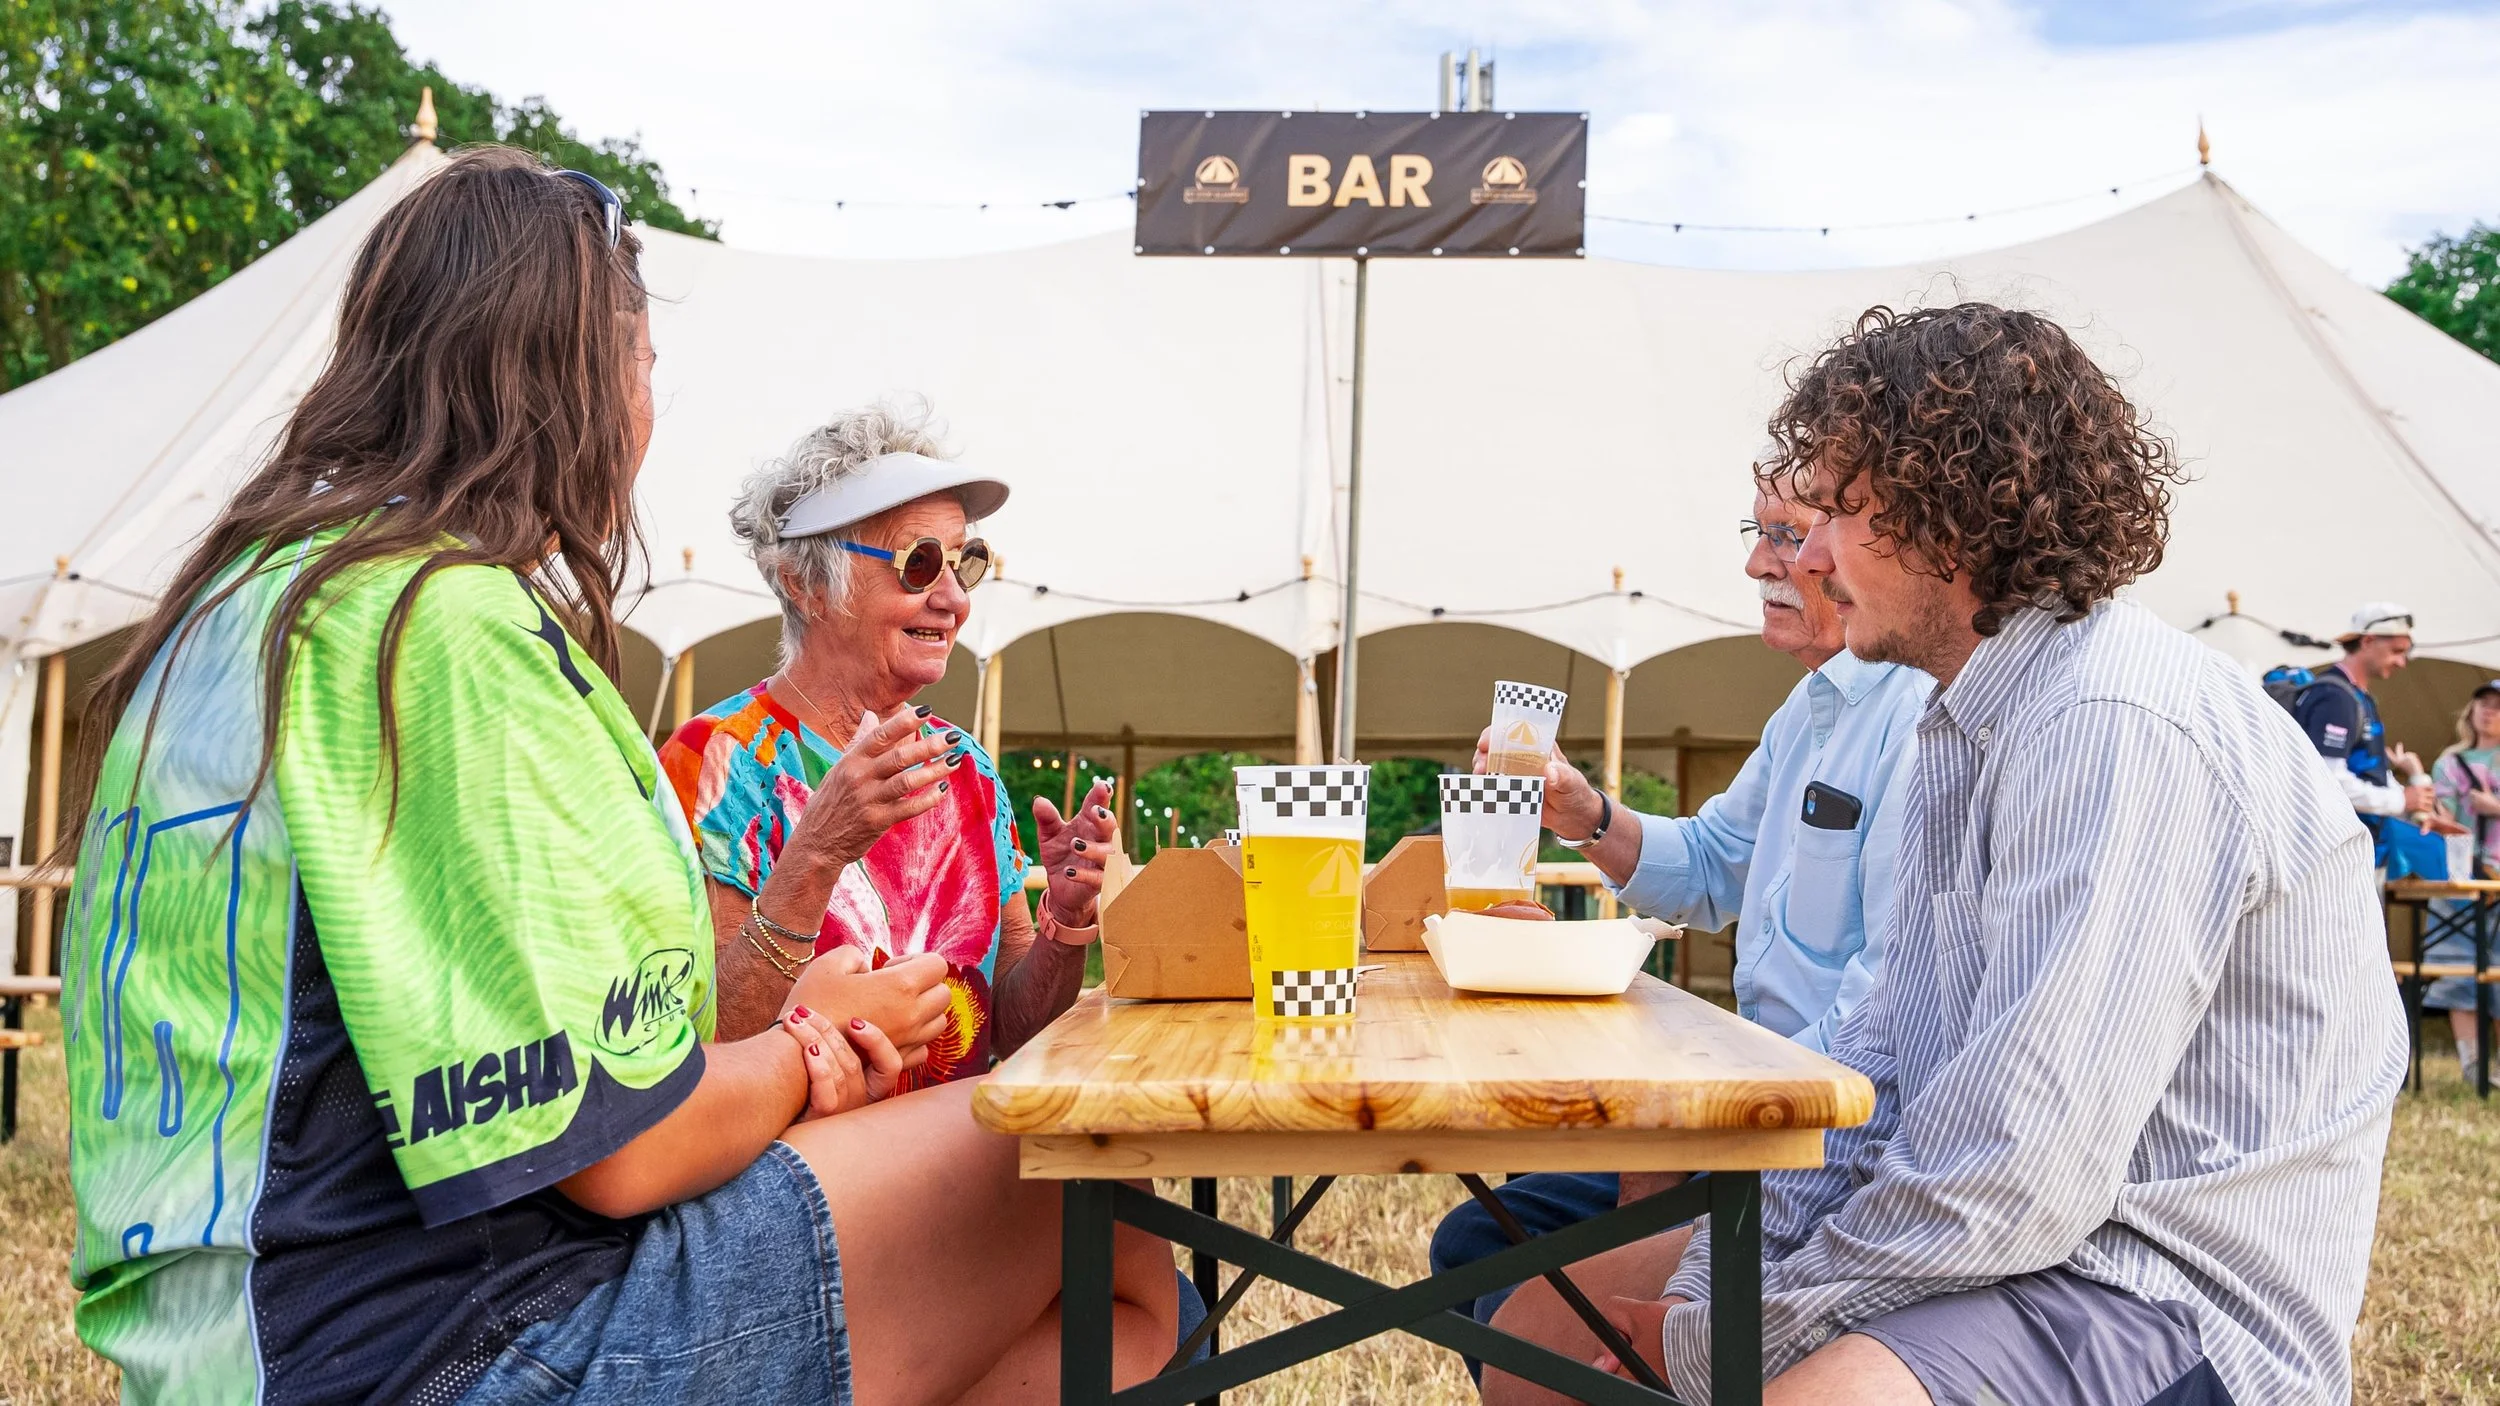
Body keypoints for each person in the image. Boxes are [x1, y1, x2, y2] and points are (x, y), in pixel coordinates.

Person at [55, 148, 1175, 1406]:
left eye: (966, 560)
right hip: (435, 1347)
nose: (649, 409)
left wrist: (1047, 932)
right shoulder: (442, 631)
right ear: (572, 375)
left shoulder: (256, 596)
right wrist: (817, 1039)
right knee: (1093, 1205)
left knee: (1073, 1290)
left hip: (240, 1332)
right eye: (643, 365)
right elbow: (623, 1139)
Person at [1595, 304, 2408, 1405]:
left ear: (1950, 517)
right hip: (2010, 1251)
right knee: (1549, 1327)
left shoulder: (2110, 720)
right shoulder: (1963, 724)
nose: (1807, 555)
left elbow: (2023, 1168)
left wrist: (1744, 1331)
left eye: (1835, 513)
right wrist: (1708, 1291)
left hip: (2158, 1294)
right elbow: (1880, 1072)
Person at [1432, 474, 1929, 1396]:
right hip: (1754, 1108)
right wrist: (1582, 810)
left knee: (1488, 1250)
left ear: (1863, 547)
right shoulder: (1811, 708)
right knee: (1475, 1238)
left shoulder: (1918, 722)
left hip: (1806, 1142)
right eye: (1761, 533)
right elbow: (1708, 863)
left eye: (1784, 536)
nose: (1758, 563)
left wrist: (1703, 1109)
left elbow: (1890, 1009)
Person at [657, 403, 1106, 1077]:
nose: (954, 598)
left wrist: (1063, 927)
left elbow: (1007, 1029)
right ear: (805, 583)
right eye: (919, 563)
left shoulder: (964, 767)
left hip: (954, 1150)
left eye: (967, 562)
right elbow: (709, 1042)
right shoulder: (716, 759)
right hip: (806, 1170)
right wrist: (818, 851)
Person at [2292, 604, 2460, 878]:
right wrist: (2402, 801)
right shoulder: (2335, 697)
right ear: (2368, 641)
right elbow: (2328, 782)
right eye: (2397, 651)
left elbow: (2371, 774)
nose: (2402, 662)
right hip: (2336, 856)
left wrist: (2414, 809)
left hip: (2363, 851)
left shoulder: (2359, 697)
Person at [2427, 681, 2500, 1078]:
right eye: (2482, 704)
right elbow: (2446, 821)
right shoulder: (2450, 763)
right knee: (2457, 970)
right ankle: (2472, 1065)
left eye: (2497, 706)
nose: (2488, 712)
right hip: (2462, 880)